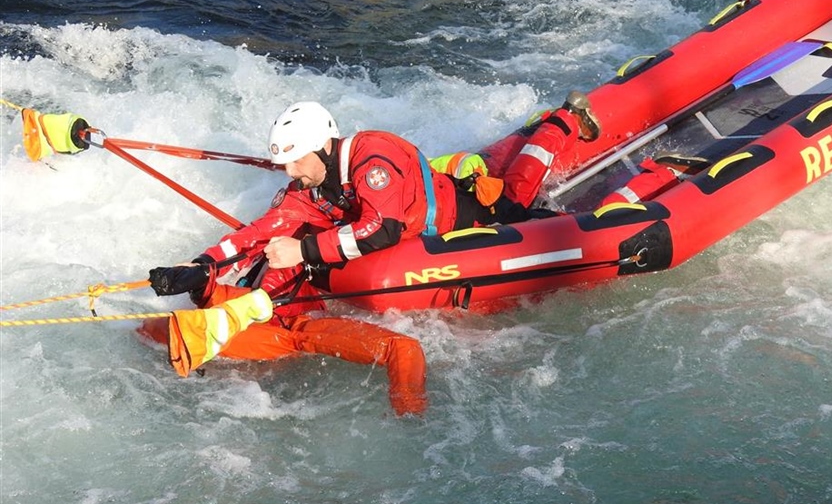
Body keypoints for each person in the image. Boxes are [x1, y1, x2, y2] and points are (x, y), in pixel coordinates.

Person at [141, 93, 600, 415]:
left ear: (324, 146)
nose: (291, 172)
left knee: (518, 198)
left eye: (298, 160)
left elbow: (381, 231)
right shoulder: (310, 185)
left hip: (462, 215)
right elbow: (263, 230)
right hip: (424, 217)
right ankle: (554, 126)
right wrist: (201, 267)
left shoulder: (371, 157)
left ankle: (563, 121)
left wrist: (304, 249)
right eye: (287, 163)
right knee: (274, 235)